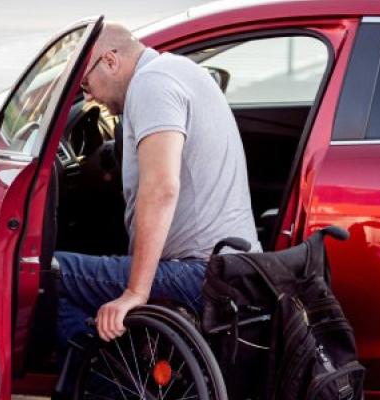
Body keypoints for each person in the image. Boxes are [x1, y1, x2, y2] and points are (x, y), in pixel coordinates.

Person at [55, 22, 261, 348]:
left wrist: (135, 292)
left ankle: (105, 385)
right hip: (226, 268)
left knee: (52, 273)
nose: (88, 96)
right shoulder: (177, 69)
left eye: (85, 83)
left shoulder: (151, 84)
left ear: (110, 61)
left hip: (201, 274)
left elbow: (162, 187)